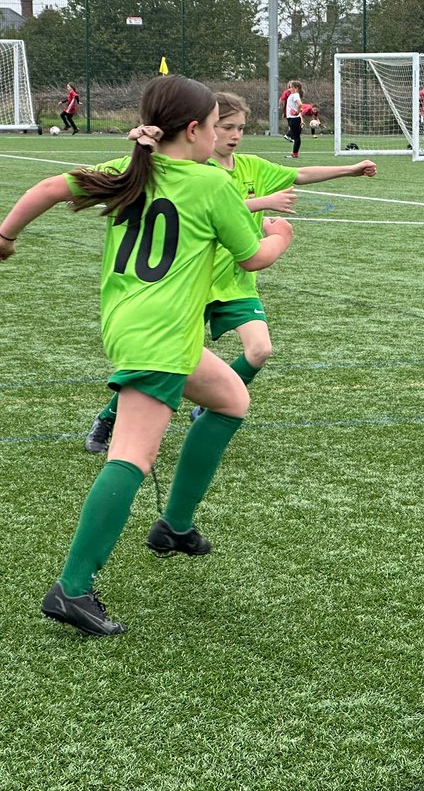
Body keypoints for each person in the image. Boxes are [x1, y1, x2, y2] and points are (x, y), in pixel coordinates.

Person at [0, 75, 293, 635]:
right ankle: (74, 587)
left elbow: (47, 189)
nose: (221, 137)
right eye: (216, 126)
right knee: (132, 454)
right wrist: (281, 234)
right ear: (194, 130)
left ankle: (175, 527)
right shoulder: (211, 186)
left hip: (140, 325)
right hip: (159, 336)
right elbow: (254, 258)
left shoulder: (133, 167)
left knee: (231, 398)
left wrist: (6, 238)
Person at [84, 91, 377, 451]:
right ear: (203, 128)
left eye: (239, 127)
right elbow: (214, 206)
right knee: (160, 365)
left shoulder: (251, 166)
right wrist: (263, 203)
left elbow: (299, 174)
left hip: (237, 283)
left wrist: (350, 169)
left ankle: (212, 407)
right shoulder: (194, 169)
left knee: (261, 350)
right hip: (194, 283)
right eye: (225, 127)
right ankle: (108, 419)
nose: (234, 135)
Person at [284, 80, 304, 158]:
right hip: (292, 118)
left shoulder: (295, 94)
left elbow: (300, 104)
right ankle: (295, 154)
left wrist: (297, 112)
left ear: (296, 88)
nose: (289, 89)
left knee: (296, 137)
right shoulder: (293, 95)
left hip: (294, 119)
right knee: (295, 136)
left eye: (291, 87)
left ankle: (295, 154)